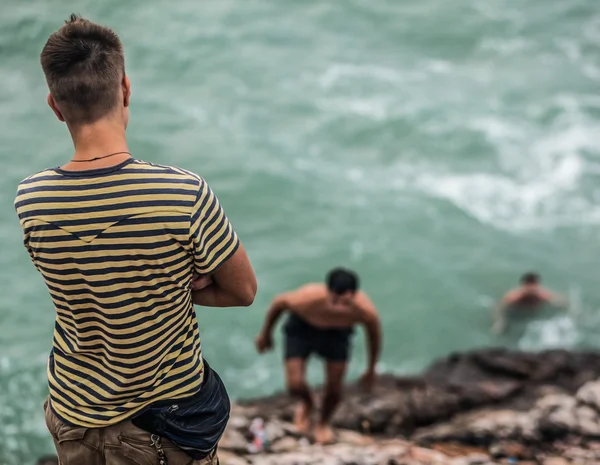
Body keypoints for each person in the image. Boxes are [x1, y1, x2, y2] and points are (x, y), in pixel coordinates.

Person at [14, 15, 257, 465]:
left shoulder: (31, 199)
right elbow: (243, 291)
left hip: (73, 415)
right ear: (125, 89)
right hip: (159, 426)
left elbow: (92, 280)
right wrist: (176, 283)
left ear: (54, 105)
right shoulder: (183, 193)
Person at [255, 268, 382, 444]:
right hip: (302, 329)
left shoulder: (364, 311)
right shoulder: (307, 298)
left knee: (335, 389)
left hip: (337, 335)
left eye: (346, 303)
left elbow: (374, 336)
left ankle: (323, 422)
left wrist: (371, 369)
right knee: (295, 384)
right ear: (327, 291)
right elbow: (278, 303)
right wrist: (265, 334)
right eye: (335, 301)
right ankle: (308, 403)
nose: (339, 307)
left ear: (354, 295)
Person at [492, 272, 566, 334]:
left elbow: (562, 301)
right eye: (528, 287)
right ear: (523, 286)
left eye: (534, 287)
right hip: (516, 313)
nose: (531, 290)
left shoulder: (543, 295)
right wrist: (500, 322)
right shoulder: (514, 296)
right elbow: (498, 307)